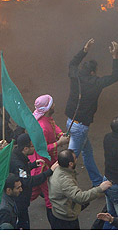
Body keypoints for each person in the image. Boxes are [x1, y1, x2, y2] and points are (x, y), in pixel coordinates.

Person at [65, 38, 118, 187]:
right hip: (80, 126)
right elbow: (116, 76)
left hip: (71, 121)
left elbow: (72, 63)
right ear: (92, 72)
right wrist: (115, 57)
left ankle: (97, 182)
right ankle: (59, 187)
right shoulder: (96, 83)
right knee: (68, 162)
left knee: (87, 153)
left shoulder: (74, 75)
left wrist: (84, 50)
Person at [28, 94, 69, 223]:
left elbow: (54, 125)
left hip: (48, 162)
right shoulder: (42, 127)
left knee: (33, 193)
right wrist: (59, 143)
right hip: (44, 165)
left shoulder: (45, 119)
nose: (54, 105)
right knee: (48, 197)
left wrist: (60, 134)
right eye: (52, 104)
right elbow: (42, 148)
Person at [48, 149, 111, 230]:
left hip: (59, 212)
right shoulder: (65, 180)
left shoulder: (58, 169)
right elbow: (80, 197)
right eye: (75, 159)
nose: (76, 160)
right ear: (70, 164)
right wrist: (100, 188)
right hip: (66, 219)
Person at [10, 133, 56, 229]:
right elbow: (27, 181)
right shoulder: (19, 164)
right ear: (25, 149)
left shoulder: (17, 155)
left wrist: (33, 165)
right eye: (32, 146)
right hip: (20, 201)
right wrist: (49, 172)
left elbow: (22, 173)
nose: (34, 148)